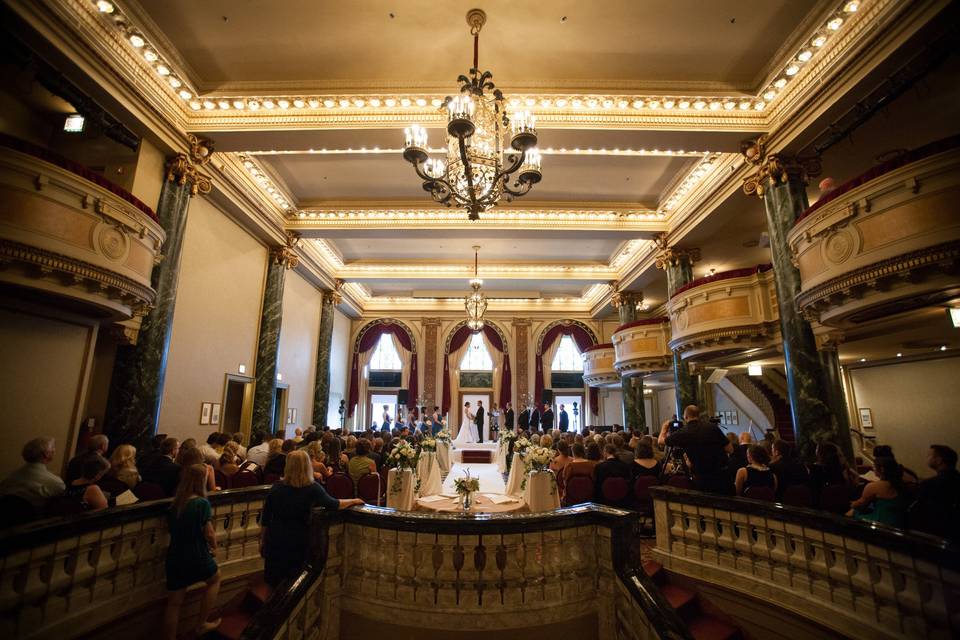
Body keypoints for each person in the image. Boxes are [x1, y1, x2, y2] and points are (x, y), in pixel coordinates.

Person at [260, 451, 363, 587]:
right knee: (294, 581)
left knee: (273, 581)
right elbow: (334, 504)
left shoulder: (276, 488)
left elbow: (266, 518)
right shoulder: (312, 488)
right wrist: (353, 500)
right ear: (307, 466)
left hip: (276, 536)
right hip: (298, 538)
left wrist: (262, 540)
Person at [163, 464, 221, 640]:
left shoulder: (175, 503)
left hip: (175, 554)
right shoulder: (200, 503)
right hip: (196, 552)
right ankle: (201, 623)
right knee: (215, 579)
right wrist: (215, 547)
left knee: (173, 603)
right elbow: (209, 532)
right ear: (201, 480)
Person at [659, 405, 731, 493]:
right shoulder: (712, 427)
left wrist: (664, 428)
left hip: (703, 479)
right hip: (723, 476)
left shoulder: (683, 433)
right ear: (698, 415)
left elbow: (661, 441)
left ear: (685, 417)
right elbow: (730, 449)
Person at [0, 437, 65, 512]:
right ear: (46, 454)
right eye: (53, 447)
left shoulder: (10, 478)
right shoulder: (56, 483)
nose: (55, 450)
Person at [911, 445, 960, 540]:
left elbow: (919, 511)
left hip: (935, 533)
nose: (927, 458)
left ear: (939, 460)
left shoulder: (930, 484)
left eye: (929, 455)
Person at [848, 457, 907, 527]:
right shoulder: (902, 483)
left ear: (882, 469)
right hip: (899, 520)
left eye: (874, 467)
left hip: (883, 523)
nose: (873, 469)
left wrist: (852, 504)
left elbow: (861, 505)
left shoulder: (873, 486)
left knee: (853, 512)